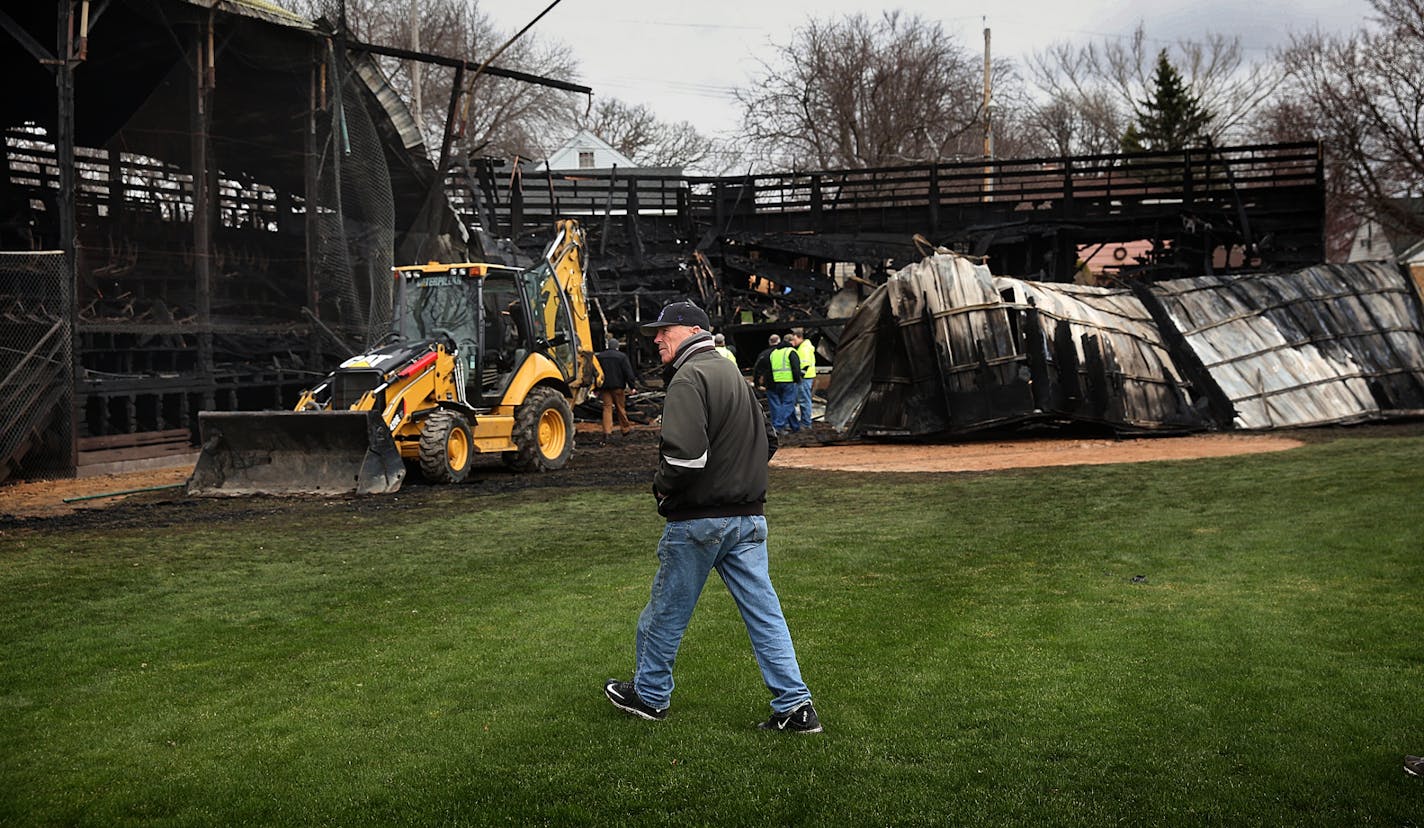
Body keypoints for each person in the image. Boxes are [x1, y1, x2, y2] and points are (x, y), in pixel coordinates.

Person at [603, 300, 820, 733]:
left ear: (688, 330)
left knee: (663, 615)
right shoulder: (730, 372)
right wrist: (738, 473)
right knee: (765, 616)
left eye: (664, 331)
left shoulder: (689, 376)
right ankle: (796, 707)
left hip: (700, 520)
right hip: (749, 519)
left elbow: (684, 460)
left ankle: (649, 696)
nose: (658, 339)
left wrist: (662, 489)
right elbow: (769, 439)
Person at [595, 338, 637, 441]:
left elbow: (596, 373)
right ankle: (625, 429)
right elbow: (628, 372)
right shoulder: (622, 357)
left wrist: (596, 388)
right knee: (620, 408)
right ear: (617, 347)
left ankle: (607, 432)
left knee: (607, 408)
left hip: (604, 387)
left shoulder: (600, 357)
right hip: (618, 387)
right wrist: (632, 386)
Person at [766, 335, 802, 436]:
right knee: (788, 404)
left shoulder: (774, 352)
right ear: (791, 341)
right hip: (789, 381)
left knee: (785, 404)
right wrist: (797, 379)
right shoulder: (791, 351)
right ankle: (778, 425)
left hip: (777, 381)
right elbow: (795, 368)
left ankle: (795, 426)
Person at [788, 328, 816, 433]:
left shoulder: (804, 349)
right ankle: (805, 422)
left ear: (799, 337)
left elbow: (805, 365)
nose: (793, 342)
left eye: (794, 339)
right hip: (806, 377)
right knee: (804, 400)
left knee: (804, 401)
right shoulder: (804, 347)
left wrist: (798, 377)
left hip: (805, 378)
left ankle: (806, 423)